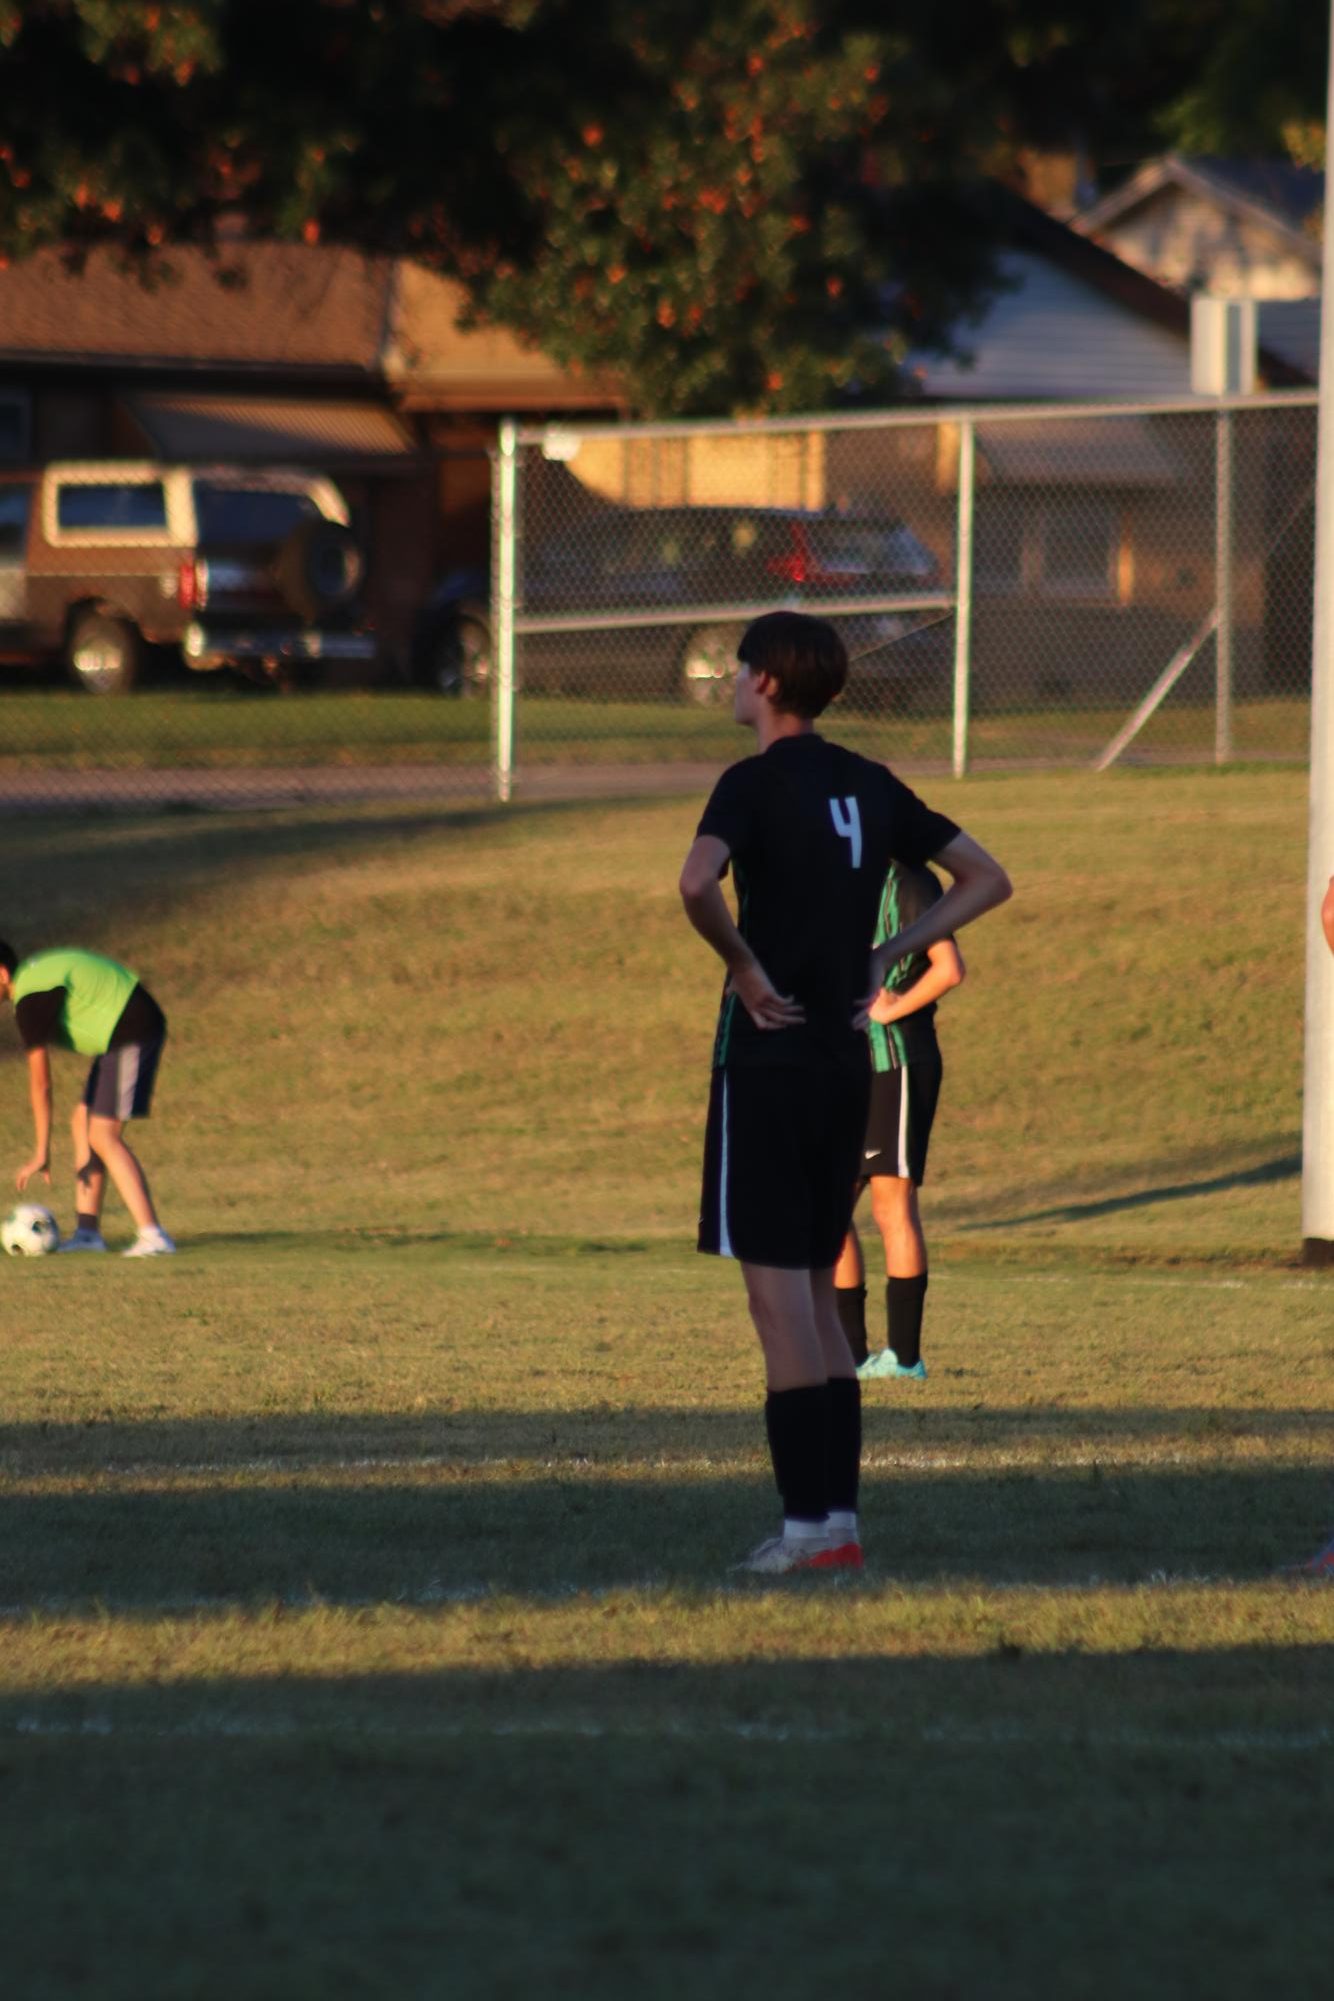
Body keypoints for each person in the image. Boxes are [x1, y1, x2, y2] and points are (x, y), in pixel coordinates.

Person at [679, 611, 1011, 1576]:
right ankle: (838, 1526)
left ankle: (803, 1529)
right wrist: (891, 950)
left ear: (770, 683)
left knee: (779, 1300)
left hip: (769, 1057)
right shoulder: (869, 782)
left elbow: (697, 883)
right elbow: (986, 877)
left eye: (741, 667)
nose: (733, 681)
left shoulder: (749, 783)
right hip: (844, 1060)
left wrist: (743, 965)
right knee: (821, 1299)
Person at [832, 860, 964, 1379]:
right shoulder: (836, 881)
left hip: (898, 1063)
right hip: (845, 1068)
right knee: (828, 1211)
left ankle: (905, 1360)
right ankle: (853, 1356)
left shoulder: (909, 883)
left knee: (892, 1205)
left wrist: (894, 1008)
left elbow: (949, 967)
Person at [0, 939, 175, 1256]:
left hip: (132, 1027)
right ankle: (87, 1235)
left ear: (1, 975)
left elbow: (41, 1084)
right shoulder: (32, 980)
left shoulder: (30, 997)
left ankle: (154, 1236)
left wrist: (41, 1150)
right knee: (82, 1122)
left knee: (103, 1135)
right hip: (121, 1028)